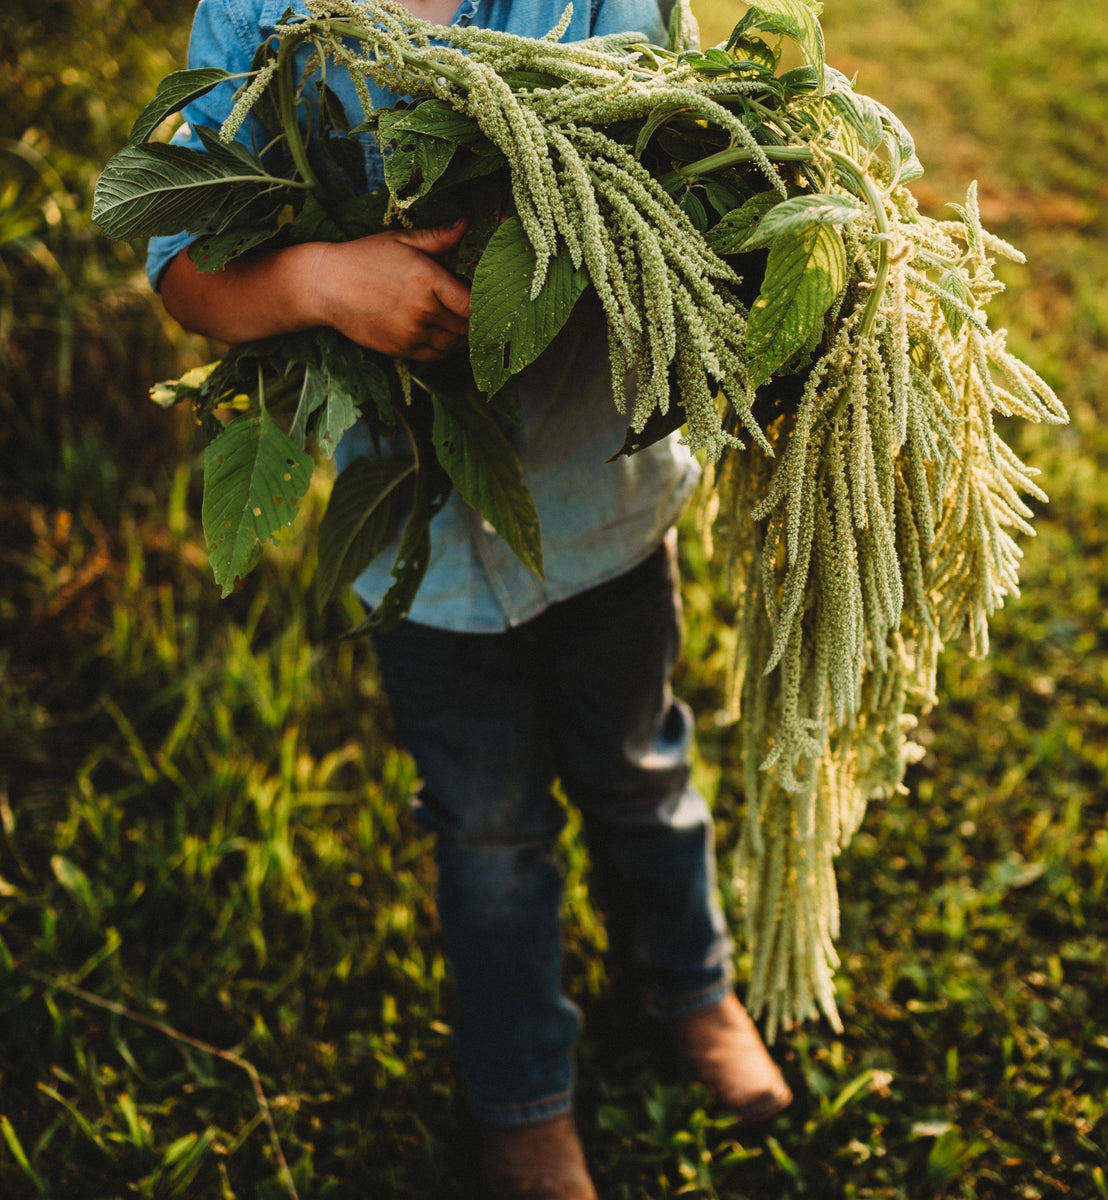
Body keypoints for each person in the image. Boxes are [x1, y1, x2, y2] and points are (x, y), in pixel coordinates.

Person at [149, 1, 791, 1195]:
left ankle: (691, 989)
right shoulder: (255, 19)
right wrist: (324, 283)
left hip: (600, 500)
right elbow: (184, 269)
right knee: (485, 828)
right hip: (426, 542)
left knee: (641, 770)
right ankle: (521, 1093)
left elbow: (703, 185)